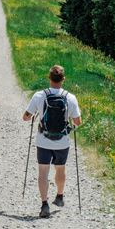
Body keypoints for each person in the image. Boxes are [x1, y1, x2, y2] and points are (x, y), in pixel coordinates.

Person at [22, 64, 81, 218]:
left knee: (43, 172)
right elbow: (77, 121)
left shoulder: (39, 95)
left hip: (43, 140)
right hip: (62, 142)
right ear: (63, 79)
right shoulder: (70, 97)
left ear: (49, 78)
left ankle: (44, 204)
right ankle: (60, 196)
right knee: (60, 169)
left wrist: (33, 115)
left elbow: (25, 117)